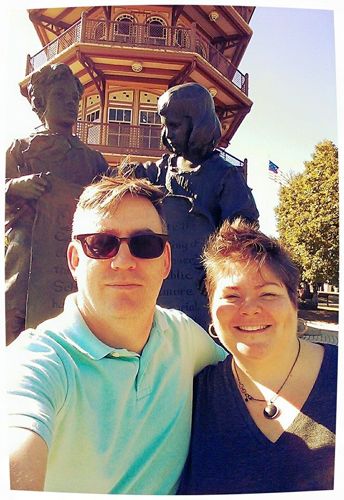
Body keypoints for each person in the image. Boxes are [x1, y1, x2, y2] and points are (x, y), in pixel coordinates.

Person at [7, 176, 227, 494]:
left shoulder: (181, 336)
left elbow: (249, 375)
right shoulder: (38, 362)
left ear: (165, 260)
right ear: (74, 259)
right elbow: (16, 444)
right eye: (101, 243)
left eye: (145, 244)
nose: (123, 262)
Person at [178, 218, 337, 494]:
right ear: (211, 313)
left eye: (267, 293)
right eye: (231, 297)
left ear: (294, 303)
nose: (250, 309)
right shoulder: (193, 396)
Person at [122, 82, 259, 330]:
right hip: (160, 292)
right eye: (164, 125)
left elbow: (243, 236)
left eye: (174, 125)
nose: (166, 134)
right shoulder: (159, 171)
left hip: (200, 295)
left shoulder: (224, 177)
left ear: (198, 124)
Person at [5, 63, 108, 344]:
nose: (71, 103)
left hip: (71, 251)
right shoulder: (21, 148)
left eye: (75, 98)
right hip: (26, 251)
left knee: (73, 321)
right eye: (61, 96)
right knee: (17, 318)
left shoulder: (93, 159)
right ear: (41, 101)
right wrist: (16, 186)